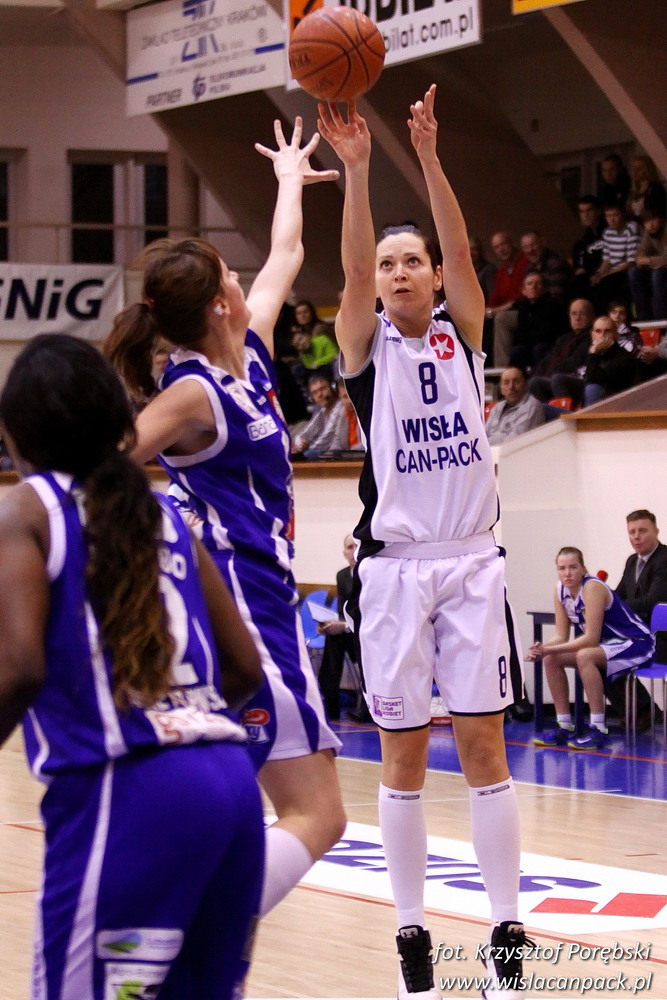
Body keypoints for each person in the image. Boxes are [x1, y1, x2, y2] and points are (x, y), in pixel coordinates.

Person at [106, 117, 346, 919]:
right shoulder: (192, 391)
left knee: (231, 810)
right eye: (229, 276)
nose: (245, 279)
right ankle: (179, 940)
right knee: (318, 815)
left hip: (256, 600)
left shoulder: (252, 350)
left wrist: (289, 179)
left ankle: (155, 923)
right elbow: (110, 459)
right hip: (244, 610)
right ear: (217, 303)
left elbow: (286, 253)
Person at [318, 86, 528, 1000]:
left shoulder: (464, 336)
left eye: (413, 262)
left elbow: (462, 249)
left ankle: (507, 931)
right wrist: (359, 172)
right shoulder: (366, 351)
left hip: (472, 563)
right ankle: (411, 933)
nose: (399, 272)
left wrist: (431, 157)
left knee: (485, 751)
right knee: (402, 758)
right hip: (396, 572)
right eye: (389, 263)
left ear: (435, 278)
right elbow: (351, 271)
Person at [0, 334, 265, 1000]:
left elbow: (18, 668)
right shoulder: (163, 513)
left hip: (129, 791)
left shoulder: (28, 508)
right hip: (230, 786)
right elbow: (242, 665)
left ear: (17, 432)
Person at [528, 546, 653, 751]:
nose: (567, 573)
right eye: (562, 568)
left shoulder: (592, 588)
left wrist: (551, 649)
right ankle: (564, 725)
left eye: (573, 567)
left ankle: (598, 728)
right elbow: (560, 635)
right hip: (608, 646)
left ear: (583, 569)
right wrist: (543, 648)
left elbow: (591, 639)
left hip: (637, 643)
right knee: (551, 659)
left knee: (585, 655)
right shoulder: (560, 590)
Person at [316, 533, 370, 722]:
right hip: (351, 633)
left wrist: (345, 625)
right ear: (344, 553)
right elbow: (342, 610)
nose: (353, 551)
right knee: (333, 637)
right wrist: (329, 625)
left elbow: (372, 612)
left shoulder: (372, 573)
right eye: (349, 547)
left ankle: (367, 707)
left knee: (347, 638)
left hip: (369, 633)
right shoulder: (342, 575)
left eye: (356, 546)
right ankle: (329, 702)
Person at [616, 510, 667, 662]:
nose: (636, 537)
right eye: (632, 532)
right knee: (592, 652)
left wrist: (617, 606)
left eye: (642, 531)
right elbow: (619, 594)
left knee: (596, 656)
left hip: (660, 638)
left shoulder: (664, 558)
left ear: (656, 531)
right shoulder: (632, 561)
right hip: (635, 633)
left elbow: (652, 602)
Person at [528, 298, 594, 404]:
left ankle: (563, 411)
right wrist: (535, 375)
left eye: (582, 314)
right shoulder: (563, 339)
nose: (577, 318)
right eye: (574, 314)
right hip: (551, 378)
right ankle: (545, 412)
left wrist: (550, 374)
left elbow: (574, 363)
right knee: (533, 382)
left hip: (573, 379)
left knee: (557, 379)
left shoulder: (591, 337)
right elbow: (547, 361)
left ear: (591, 316)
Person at [485, 231, 529, 368]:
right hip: (505, 310)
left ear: (512, 243)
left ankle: (502, 369)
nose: (501, 250)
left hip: (525, 310)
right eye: (497, 247)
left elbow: (520, 299)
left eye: (503, 244)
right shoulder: (502, 271)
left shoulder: (525, 262)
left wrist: (494, 311)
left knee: (501, 319)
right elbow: (494, 300)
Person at [507, 272, 567, 371]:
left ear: (545, 288)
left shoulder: (552, 305)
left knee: (539, 349)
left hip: (548, 347)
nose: (533, 287)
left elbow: (547, 335)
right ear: (524, 291)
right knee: (516, 351)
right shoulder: (524, 307)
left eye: (538, 284)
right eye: (529, 284)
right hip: (529, 347)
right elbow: (521, 334)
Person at [590, 203, 641, 311]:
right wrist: (599, 274)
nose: (612, 220)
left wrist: (608, 274)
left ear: (622, 215)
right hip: (613, 271)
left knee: (607, 283)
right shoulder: (607, 232)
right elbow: (607, 260)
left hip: (626, 270)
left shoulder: (631, 228)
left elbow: (631, 261)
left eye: (615, 215)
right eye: (608, 216)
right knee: (592, 283)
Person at [485, 366, 545, 445]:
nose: (511, 387)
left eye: (516, 382)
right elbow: (484, 434)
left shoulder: (531, 406)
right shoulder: (497, 407)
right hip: (491, 449)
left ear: (525, 385)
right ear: (501, 389)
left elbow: (514, 441)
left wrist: (485, 445)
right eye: (506, 383)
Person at [292, 374, 348, 457]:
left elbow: (327, 438)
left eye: (322, 389)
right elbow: (304, 433)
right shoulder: (321, 410)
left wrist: (306, 450)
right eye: (315, 393)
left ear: (332, 388)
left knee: (307, 454)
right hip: (326, 453)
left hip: (341, 452)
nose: (319, 395)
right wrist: (300, 444)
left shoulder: (340, 406)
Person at [628, 211, 667, 321]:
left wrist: (649, 260)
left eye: (653, 220)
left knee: (657, 274)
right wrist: (643, 260)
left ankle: (661, 318)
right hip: (657, 267)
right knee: (633, 272)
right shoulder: (648, 233)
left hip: (661, 270)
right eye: (646, 222)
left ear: (660, 219)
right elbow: (640, 254)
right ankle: (643, 317)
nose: (650, 225)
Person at [519, 230, 572, 304]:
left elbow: (557, 298)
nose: (530, 250)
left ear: (543, 243)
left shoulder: (556, 262)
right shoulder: (530, 266)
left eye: (533, 245)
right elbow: (526, 295)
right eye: (526, 247)